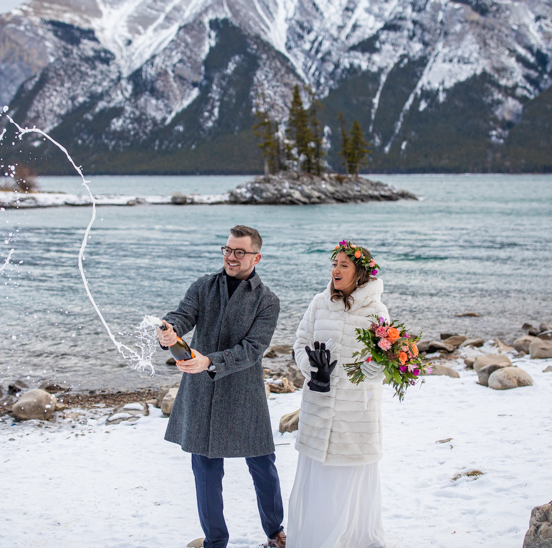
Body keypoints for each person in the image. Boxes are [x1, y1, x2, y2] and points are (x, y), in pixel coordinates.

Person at [158, 225, 286, 548]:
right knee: (205, 471)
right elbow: (182, 315)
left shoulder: (268, 301)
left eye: (239, 252)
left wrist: (209, 361)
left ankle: (275, 532)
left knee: (262, 465)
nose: (231, 257)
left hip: (245, 392)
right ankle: (215, 542)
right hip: (201, 391)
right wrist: (169, 331)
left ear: (257, 257)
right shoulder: (204, 285)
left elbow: (252, 350)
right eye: (227, 250)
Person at [286, 240, 389, 548]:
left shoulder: (376, 310)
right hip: (318, 406)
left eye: (344, 265)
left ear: (359, 273)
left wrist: (376, 370)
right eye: (334, 264)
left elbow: (388, 357)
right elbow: (300, 341)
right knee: (317, 480)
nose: (336, 270)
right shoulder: (319, 302)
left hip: (355, 410)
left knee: (347, 477)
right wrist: (311, 369)